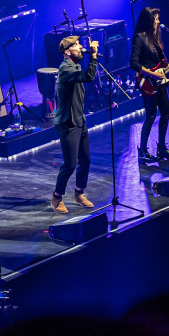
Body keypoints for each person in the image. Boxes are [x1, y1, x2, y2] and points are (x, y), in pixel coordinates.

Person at [51, 35, 99, 213]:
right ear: (66, 51)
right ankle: (56, 197)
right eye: (76, 45)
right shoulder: (66, 69)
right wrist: (93, 57)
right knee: (70, 164)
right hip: (67, 122)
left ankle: (79, 193)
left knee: (85, 159)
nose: (80, 47)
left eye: (79, 44)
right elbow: (89, 76)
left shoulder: (75, 65)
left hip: (79, 119)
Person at [130, 7, 169, 162]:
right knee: (151, 116)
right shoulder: (139, 38)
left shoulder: (155, 38)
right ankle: (142, 152)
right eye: (156, 19)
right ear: (149, 21)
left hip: (160, 82)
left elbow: (162, 63)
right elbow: (133, 62)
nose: (158, 22)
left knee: (166, 113)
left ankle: (161, 149)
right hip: (148, 82)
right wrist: (152, 74)